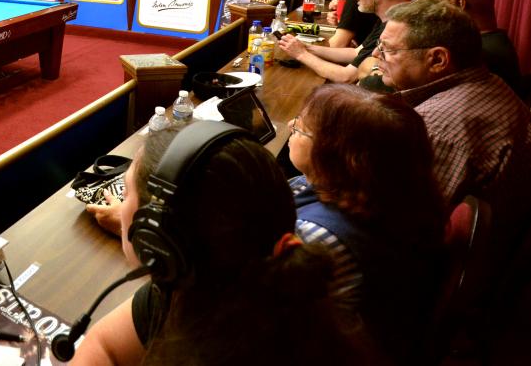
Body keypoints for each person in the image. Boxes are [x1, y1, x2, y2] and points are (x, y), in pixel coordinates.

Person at [76, 122, 368, 365]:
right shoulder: (198, 289)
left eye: (127, 194)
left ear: (156, 237)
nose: (123, 204)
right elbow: (103, 345)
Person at [288, 84, 446, 363]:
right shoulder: (393, 194)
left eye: (301, 128)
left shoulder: (316, 235)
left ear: (335, 156)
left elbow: (268, 309)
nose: (291, 126)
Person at [377, 0, 530, 206]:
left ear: (438, 60)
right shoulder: (490, 81)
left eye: (388, 49)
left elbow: (405, 215)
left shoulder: (435, 126)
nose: (376, 54)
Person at [278, 0, 412, 84]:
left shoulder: (399, 26)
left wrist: (301, 54)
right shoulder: (390, 17)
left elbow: (346, 76)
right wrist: (306, 48)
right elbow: (356, 53)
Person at [412, 0, 523, 95]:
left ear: (459, 4)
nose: (416, 10)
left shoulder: (476, 56)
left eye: (424, 2)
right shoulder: (488, 44)